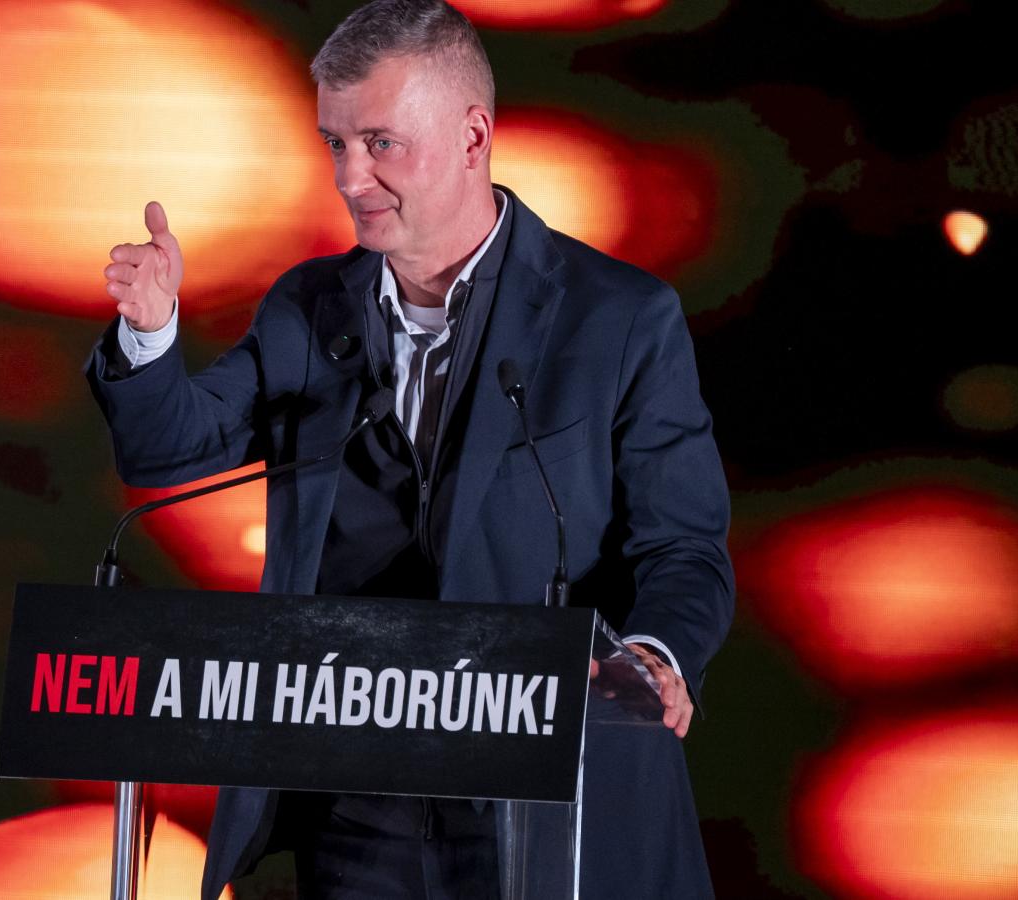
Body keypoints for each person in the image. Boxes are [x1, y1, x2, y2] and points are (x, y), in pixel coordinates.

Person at [85, 1, 734, 897]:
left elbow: (684, 550)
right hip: (355, 810)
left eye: (380, 143)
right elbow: (170, 453)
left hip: (553, 791)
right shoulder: (308, 306)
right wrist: (151, 334)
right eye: (336, 143)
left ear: (473, 137)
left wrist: (652, 657)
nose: (350, 177)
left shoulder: (620, 317)